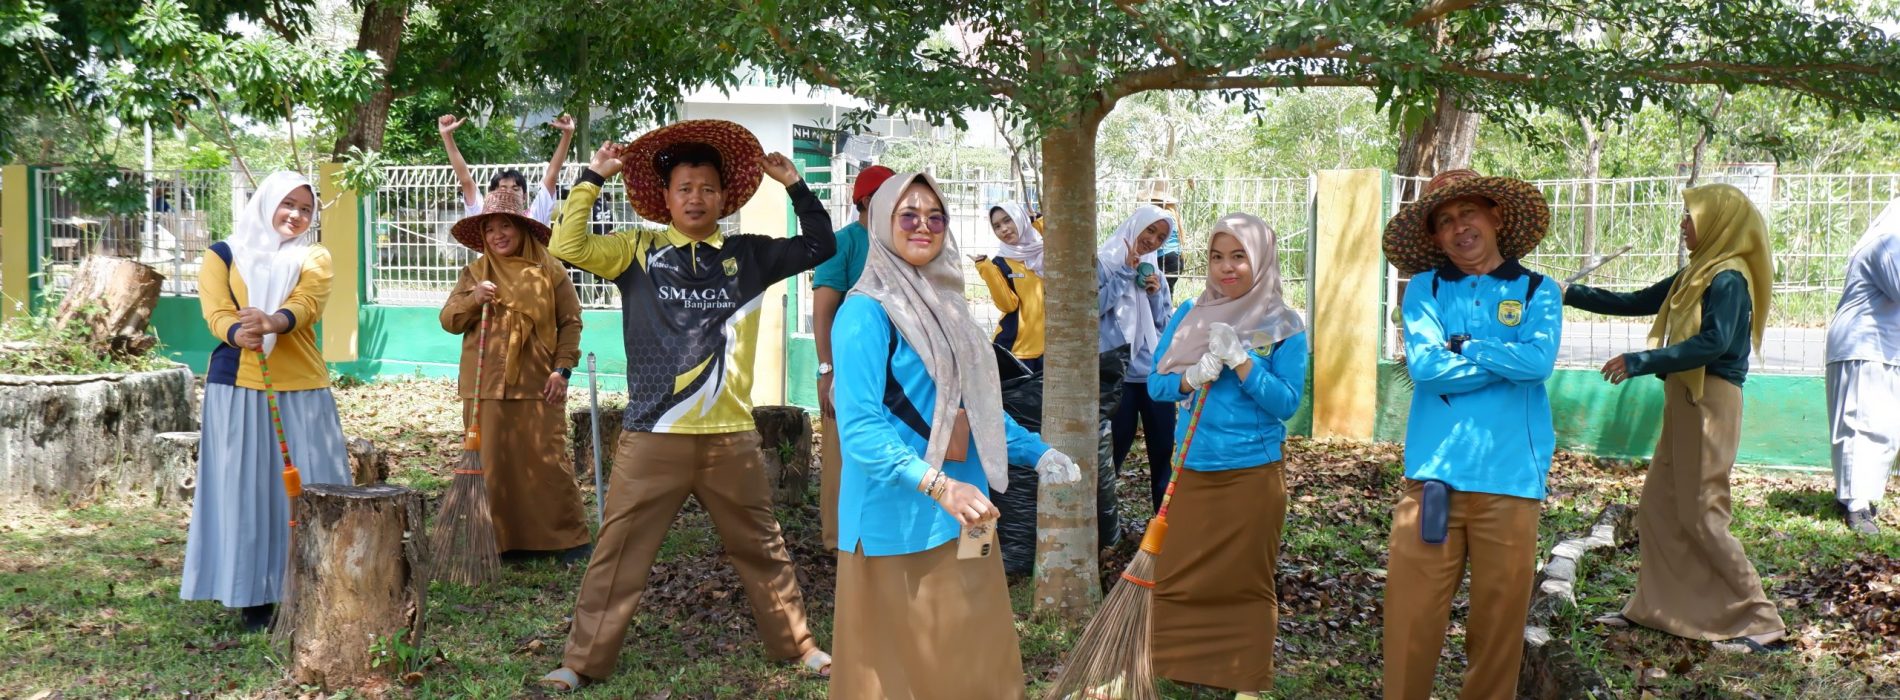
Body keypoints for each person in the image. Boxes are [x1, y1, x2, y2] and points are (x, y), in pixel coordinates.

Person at [536, 121, 836, 691]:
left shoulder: (751, 255)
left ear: (724, 198)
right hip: (653, 435)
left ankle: (799, 645)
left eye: (706, 189)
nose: (696, 198)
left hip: (730, 438)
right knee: (619, 552)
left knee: (762, 547)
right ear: (666, 198)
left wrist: (796, 185)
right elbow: (566, 246)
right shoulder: (636, 250)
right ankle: (581, 662)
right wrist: (593, 177)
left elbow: (822, 246)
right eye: (684, 188)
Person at [828, 170, 1080, 699]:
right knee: (903, 669)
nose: (923, 226)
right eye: (908, 216)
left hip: (969, 509)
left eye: (935, 217)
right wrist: (939, 486)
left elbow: (977, 409)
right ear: (880, 222)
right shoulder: (864, 313)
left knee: (974, 650)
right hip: (899, 519)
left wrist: (1037, 452)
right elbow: (861, 430)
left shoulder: (949, 306)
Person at [1565, 183, 1787, 653]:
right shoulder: (1697, 273)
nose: (1683, 225)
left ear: (1718, 221)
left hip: (1712, 400)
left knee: (1703, 513)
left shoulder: (1729, 278)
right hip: (1685, 396)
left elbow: (1715, 343)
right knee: (1660, 508)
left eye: (1691, 216)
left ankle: (1762, 618)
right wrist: (1569, 293)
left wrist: (1641, 361)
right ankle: (1657, 608)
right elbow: (1636, 300)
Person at [1379, 169, 1560, 699]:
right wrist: (1505, 360)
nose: (1460, 228)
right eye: (1445, 221)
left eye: (1469, 213)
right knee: (1411, 618)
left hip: (1511, 480)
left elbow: (1538, 363)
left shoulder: (1538, 290)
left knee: (1498, 626)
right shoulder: (1426, 289)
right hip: (1434, 480)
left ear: (1495, 217)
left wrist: (1464, 345)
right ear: (1435, 237)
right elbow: (1426, 369)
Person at [1146, 212, 1308, 696]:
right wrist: (1190, 378)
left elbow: (1287, 403)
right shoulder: (1190, 312)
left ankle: (1246, 679)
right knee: (1178, 571)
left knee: (1246, 579)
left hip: (1253, 472)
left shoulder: (1284, 325)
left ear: (1260, 259)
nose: (1226, 267)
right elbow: (1156, 385)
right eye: (1217, 257)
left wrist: (1243, 362)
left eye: (1239, 256)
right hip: (1192, 466)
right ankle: (1177, 667)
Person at [180, 171, 350, 631]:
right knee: (246, 492)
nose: (296, 215)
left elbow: (308, 304)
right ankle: (253, 596)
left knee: (314, 487)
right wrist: (238, 331)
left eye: (306, 209)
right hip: (237, 386)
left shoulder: (313, 255)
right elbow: (216, 311)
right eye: (287, 204)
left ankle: (323, 586)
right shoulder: (223, 253)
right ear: (266, 203)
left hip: (303, 387)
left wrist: (272, 322)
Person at [440, 186, 589, 562]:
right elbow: (449, 321)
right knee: (492, 464)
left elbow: (570, 322)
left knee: (546, 459)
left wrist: (562, 370)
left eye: (505, 226)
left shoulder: (550, 270)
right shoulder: (475, 273)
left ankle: (564, 539)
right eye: (490, 229)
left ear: (521, 228)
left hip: (539, 382)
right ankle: (501, 543)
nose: (498, 235)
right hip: (484, 384)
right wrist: (474, 299)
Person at [814, 164, 898, 552]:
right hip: (850, 371)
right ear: (864, 201)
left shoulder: (900, 242)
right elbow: (823, 311)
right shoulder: (843, 243)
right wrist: (826, 370)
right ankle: (839, 541)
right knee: (844, 455)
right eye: (888, 195)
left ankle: (881, 536)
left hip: (896, 372)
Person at [1825, 200, 1900, 535]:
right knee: (1861, 424)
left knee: (1883, 426)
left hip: (1880, 345)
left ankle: (1860, 497)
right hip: (1863, 343)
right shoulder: (1888, 242)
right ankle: (1855, 506)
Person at [1101, 206, 1177, 511]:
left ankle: (1164, 524)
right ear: (1135, 226)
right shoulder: (1105, 264)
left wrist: (1155, 294)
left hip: (1155, 376)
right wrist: (1124, 273)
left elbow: (1164, 326)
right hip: (1118, 375)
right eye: (1150, 230)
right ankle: (1105, 525)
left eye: (1161, 237)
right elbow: (1094, 309)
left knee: (1163, 453)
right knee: (1114, 451)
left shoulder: (1155, 272)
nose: (1153, 240)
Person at [438, 112, 577, 224]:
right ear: (491, 195)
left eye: (515, 189)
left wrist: (567, 134)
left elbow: (552, 174)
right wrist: (446, 136)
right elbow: (465, 180)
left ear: (524, 197)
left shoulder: (534, 217)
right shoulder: (482, 215)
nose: (509, 193)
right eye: (503, 189)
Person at [974, 202, 1047, 370]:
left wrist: (1039, 221)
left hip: (1053, 348)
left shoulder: (1048, 252)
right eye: (997, 226)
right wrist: (986, 269)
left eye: (1008, 220)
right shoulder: (1000, 263)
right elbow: (1008, 305)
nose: (1004, 229)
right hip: (1017, 349)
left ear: (1020, 219)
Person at [1147, 185, 1184, 296]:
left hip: (1165, 258)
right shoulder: (1172, 213)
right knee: (1167, 292)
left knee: (1161, 293)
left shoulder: (1162, 215)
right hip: (1175, 257)